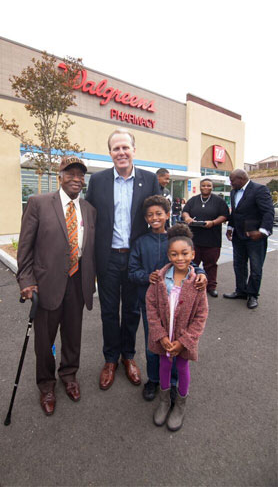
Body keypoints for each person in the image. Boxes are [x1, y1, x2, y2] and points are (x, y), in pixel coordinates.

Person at [17, 156, 96, 416]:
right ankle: (46, 384)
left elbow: (90, 249)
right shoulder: (39, 203)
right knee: (45, 341)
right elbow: (25, 246)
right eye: (70, 173)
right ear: (59, 175)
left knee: (73, 335)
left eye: (80, 175)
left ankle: (69, 375)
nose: (76, 179)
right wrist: (26, 280)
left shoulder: (88, 209)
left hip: (77, 282)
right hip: (47, 284)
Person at [85, 128, 161, 390]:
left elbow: (159, 217)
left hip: (136, 260)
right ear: (110, 153)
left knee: (131, 311)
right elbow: (89, 220)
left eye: (125, 147)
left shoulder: (150, 180)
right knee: (108, 312)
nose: (121, 152)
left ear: (134, 150)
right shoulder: (98, 181)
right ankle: (110, 359)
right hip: (107, 258)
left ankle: (128, 356)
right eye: (116, 148)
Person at [128, 196, 207, 402]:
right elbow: (132, 271)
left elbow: (190, 262)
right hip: (152, 304)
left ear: (167, 214)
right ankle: (154, 379)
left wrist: (202, 273)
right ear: (145, 218)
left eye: (159, 213)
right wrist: (147, 277)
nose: (155, 218)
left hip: (179, 305)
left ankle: (172, 383)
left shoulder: (175, 238)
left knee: (176, 343)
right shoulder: (141, 242)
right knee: (154, 342)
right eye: (150, 215)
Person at [146, 224, 208, 431]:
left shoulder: (197, 283)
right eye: (174, 254)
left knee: (182, 367)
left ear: (193, 254)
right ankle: (164, 401)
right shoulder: (159, 279)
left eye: (184, 253)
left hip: (183, 340)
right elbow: (151, 308)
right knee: (163, 365)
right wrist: (160, 335)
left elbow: (201, 315)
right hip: (164, 338)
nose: (179, 258)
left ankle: (180, 405)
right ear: (168, 255)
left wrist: (185, 341)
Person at [223, 169, 274, 309]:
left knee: (256, 267)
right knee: (239, 265)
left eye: (232, 180)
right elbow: (235, 212)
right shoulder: (234, 192)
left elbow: (268, 212)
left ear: (241, 179)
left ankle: (252, 295)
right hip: (238, 236)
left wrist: (262, 232)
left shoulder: (259, 189)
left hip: (255, 236)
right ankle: (241, 291)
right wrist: (230, 227)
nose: (230, 183)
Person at [182, 179, 230, 297]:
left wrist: (213, 222)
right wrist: (187, 218)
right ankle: (192, 284)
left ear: (212, 187)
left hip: (212, 239)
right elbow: (185, 212)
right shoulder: (193, 200)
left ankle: (211, 286)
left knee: (211, 264)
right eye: (203, 185)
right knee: (192, 263)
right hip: (194, 239)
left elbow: (224, 216)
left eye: (209, 185)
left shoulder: (219, 201)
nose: (206, 187)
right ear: (200, 187)